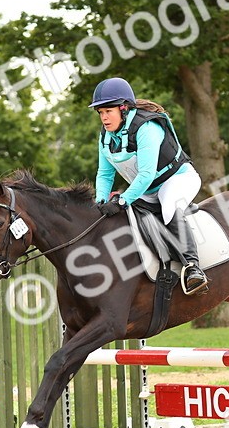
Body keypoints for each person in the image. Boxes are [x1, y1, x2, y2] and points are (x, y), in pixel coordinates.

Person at [89, 76, 208, 295]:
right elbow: (104, 174)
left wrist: (123, 200)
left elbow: (146, 174)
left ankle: (193, 268)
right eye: (100, 113)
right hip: (146, 189)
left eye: (108, 111)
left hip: (178, 179)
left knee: (168, 204)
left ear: (123, 108)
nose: (104, 118)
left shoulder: (147, 128)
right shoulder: (105, 137)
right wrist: (101, 201)